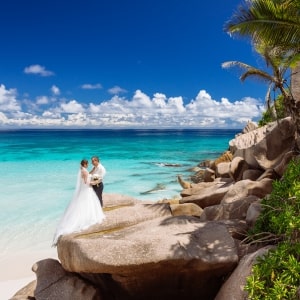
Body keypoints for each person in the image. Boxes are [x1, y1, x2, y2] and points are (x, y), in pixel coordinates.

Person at [52, 159, 105, 246]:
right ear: (85, 164)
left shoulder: (83, 170)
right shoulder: (84, 171)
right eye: (88, 163)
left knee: (87, 202)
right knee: (88, 202)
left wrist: (93, 171)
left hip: (85, 189)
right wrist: (93, 182)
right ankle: (88, 215)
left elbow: (89, 173)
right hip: (87, 188)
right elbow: (85, 182)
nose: (89, 164)